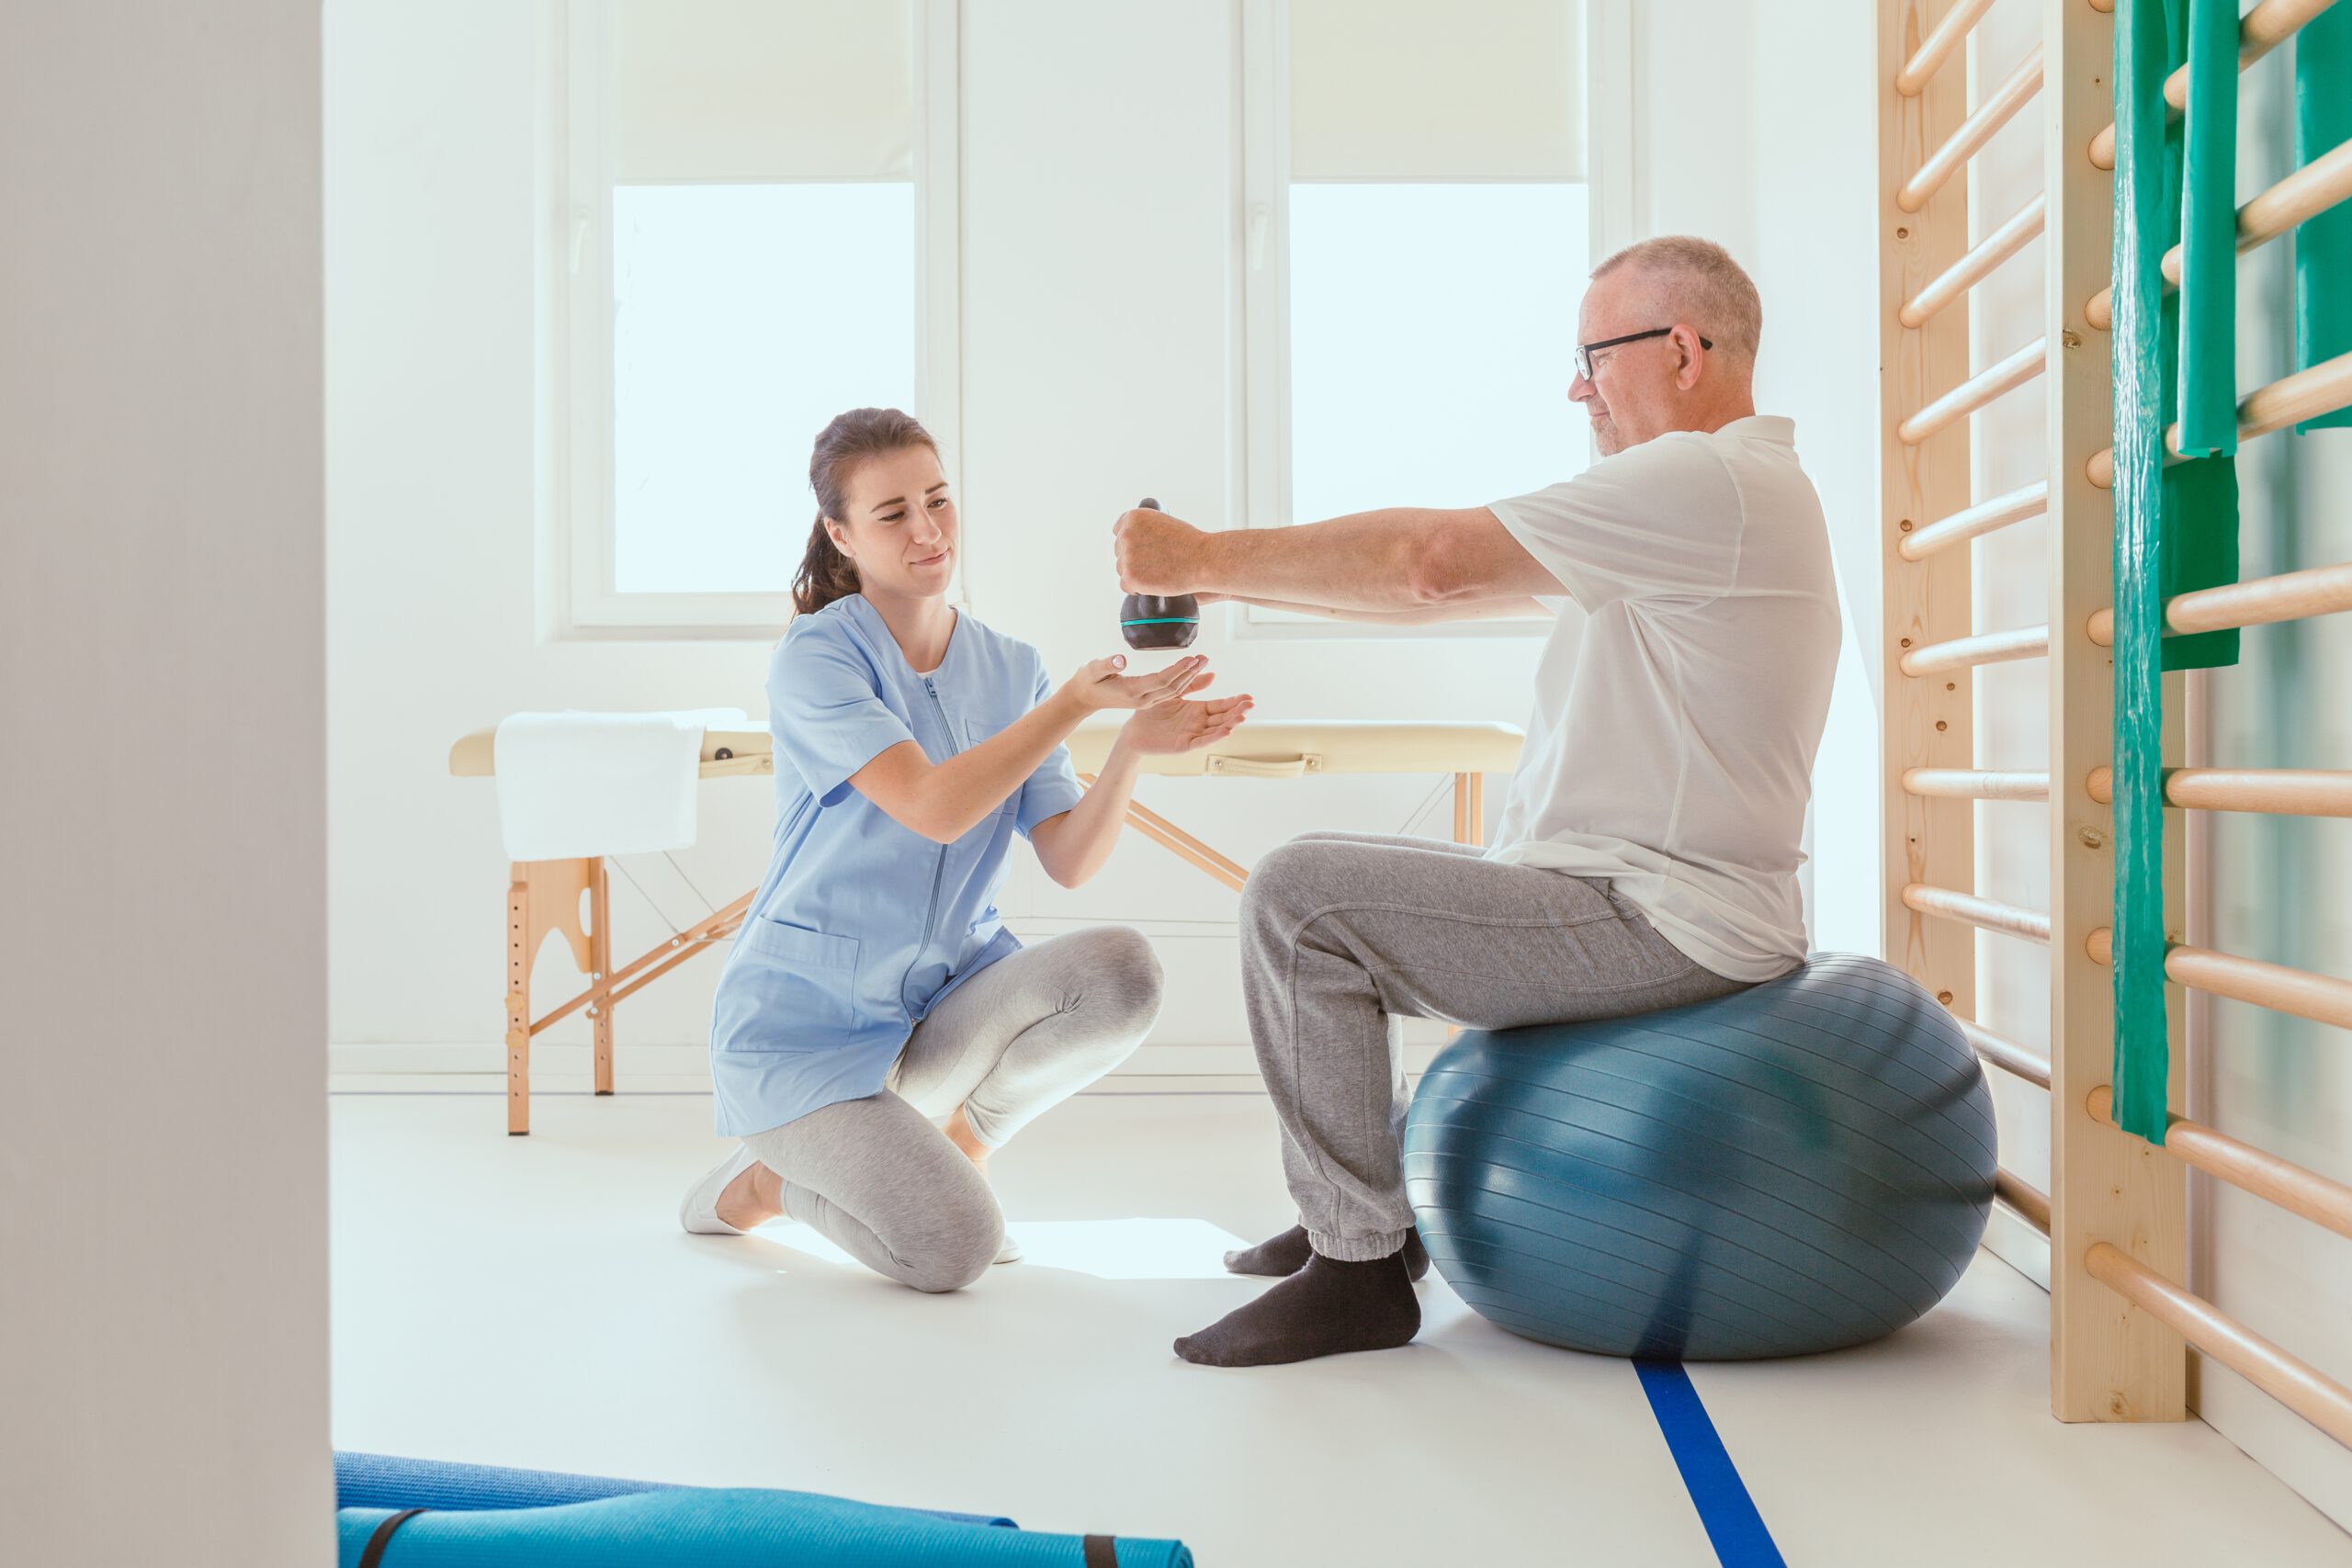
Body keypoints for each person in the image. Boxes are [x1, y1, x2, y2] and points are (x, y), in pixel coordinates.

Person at [1113, 236, 1841, 1366]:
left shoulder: (1708, 480)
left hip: (1667, 917)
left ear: (1685, 349)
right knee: (1358, 887)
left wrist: (1196, 558)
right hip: (1638, 896)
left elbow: (1428, 564)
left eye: (1594, 355)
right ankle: (1362, 1223)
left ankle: (1354, 1267)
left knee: (1299, 900)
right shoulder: (1712, 498)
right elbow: (1432, 589)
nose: (1576, 386)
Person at [680, 407, 1252, 1292]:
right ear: (840, 534)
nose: (928, 529)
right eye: (893, 513)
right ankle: (774, 1178)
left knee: (1121, 972)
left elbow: (1069, 858)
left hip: (936, 1014)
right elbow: (933, 808)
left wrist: (1133, 744)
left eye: (938, 500)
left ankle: (961, 1140)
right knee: (953, 1248)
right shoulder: (817, 659)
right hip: (804, 1040)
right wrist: (1069, 706)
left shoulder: (1008, 664)